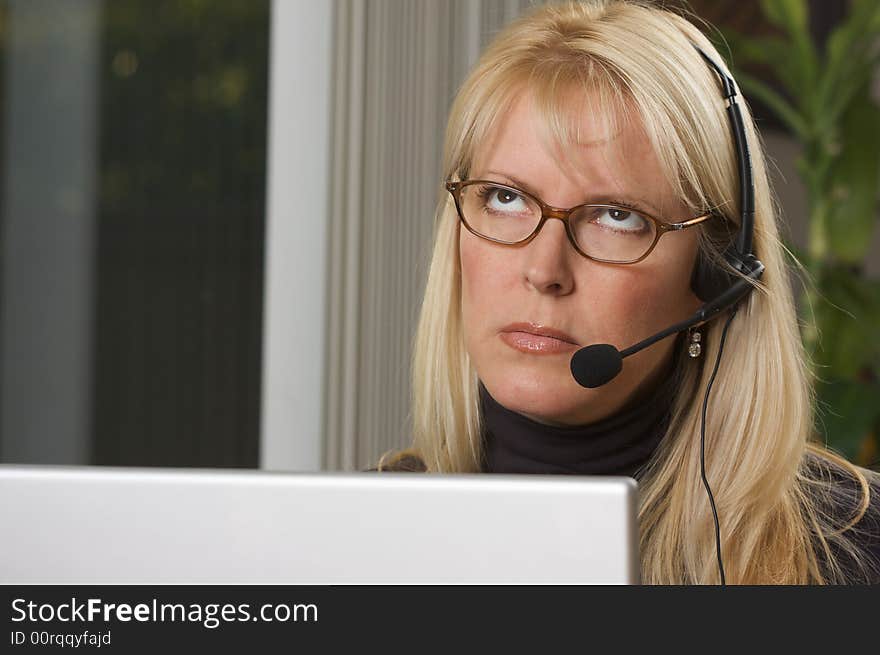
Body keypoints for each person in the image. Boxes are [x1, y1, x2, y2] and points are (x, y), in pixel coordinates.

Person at [374, 0, 880, 584]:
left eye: (616, 216)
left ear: (716, 275)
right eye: (505, 197)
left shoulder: (853, 555)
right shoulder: (346, 539)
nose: (544, 270)